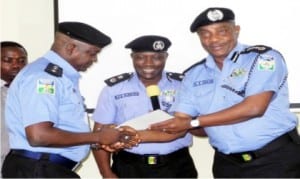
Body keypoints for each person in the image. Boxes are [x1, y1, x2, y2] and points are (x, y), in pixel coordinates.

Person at [150, 7, 300, 178]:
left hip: (275, 160)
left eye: (222, 31)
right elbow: (190, 125)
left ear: (236, 31)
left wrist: (192, 123)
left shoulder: (263, 59)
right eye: (205, 34)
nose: (213, 39)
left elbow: (254, 108)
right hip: (227, 165)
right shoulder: (193, 75)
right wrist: (158, 125)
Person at [2, 22, 138, 178]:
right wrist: (98, 137)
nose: (94, 60)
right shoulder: (44, 78)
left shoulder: (59, 76)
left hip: (46, 169)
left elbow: (64, 126)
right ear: (71, 48)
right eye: (92, 53)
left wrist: (102, 139)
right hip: (38, 170)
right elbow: (39, 136)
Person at [92, 35, 198, 178]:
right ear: (132, 57)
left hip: (176, 166)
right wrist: (106, 173)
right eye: (141, 57)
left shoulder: (184, 86)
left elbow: (187, 127)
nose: (149, 63)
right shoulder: (114, 89)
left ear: (166, 57)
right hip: (129, 166)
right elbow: (99, 134)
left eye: (156, 57)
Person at [1, 41, 28, 173]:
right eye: (8, 60)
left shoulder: (32, 92)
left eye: (22, 61)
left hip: (24, 167)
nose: (16, 65)